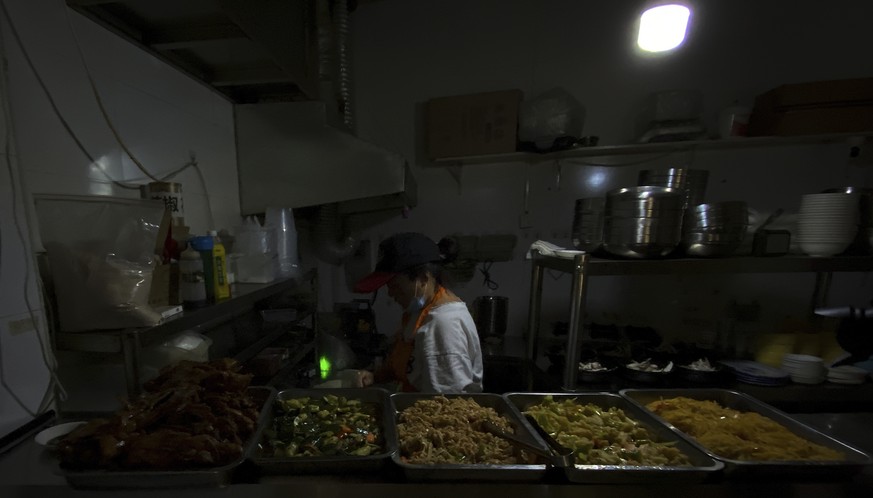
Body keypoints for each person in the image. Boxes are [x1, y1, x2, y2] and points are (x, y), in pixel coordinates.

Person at [352, 232, 484, 393]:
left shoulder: (443, 325)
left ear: (423, 278)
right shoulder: (421, 311)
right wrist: (376, 376)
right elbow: (411, 366)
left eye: (395, 285)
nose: (390, 293)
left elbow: (447, 408)